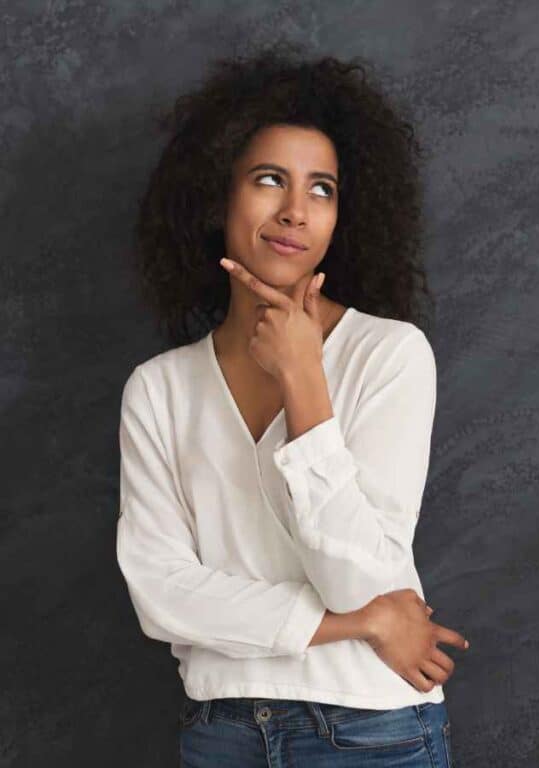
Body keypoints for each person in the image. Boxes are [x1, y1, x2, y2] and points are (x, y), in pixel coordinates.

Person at [116, 42, 467, 766]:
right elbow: (164, 596)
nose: (294, 211)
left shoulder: (389, 357)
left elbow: (359, 575)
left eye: (322, 189)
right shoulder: (159, 389)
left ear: (345, 215)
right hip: (222, 736)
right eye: (270, 180)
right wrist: (363, 625)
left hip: (372, 733)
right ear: (220, 197)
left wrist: (306, 381)